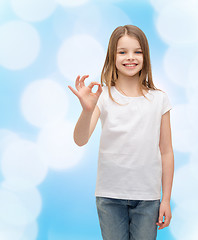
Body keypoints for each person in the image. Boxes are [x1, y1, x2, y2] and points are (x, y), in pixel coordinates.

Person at [68, 25, 174, 240]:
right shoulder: (103, 96)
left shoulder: (159, 99)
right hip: (109, 196)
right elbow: (80, 139)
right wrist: (87, 111)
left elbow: (166, 152)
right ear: (112, 56)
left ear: (145, 55)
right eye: (122, 52)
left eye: (137, 51)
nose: (130, 58)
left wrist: (166, 200)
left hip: (147, 198)